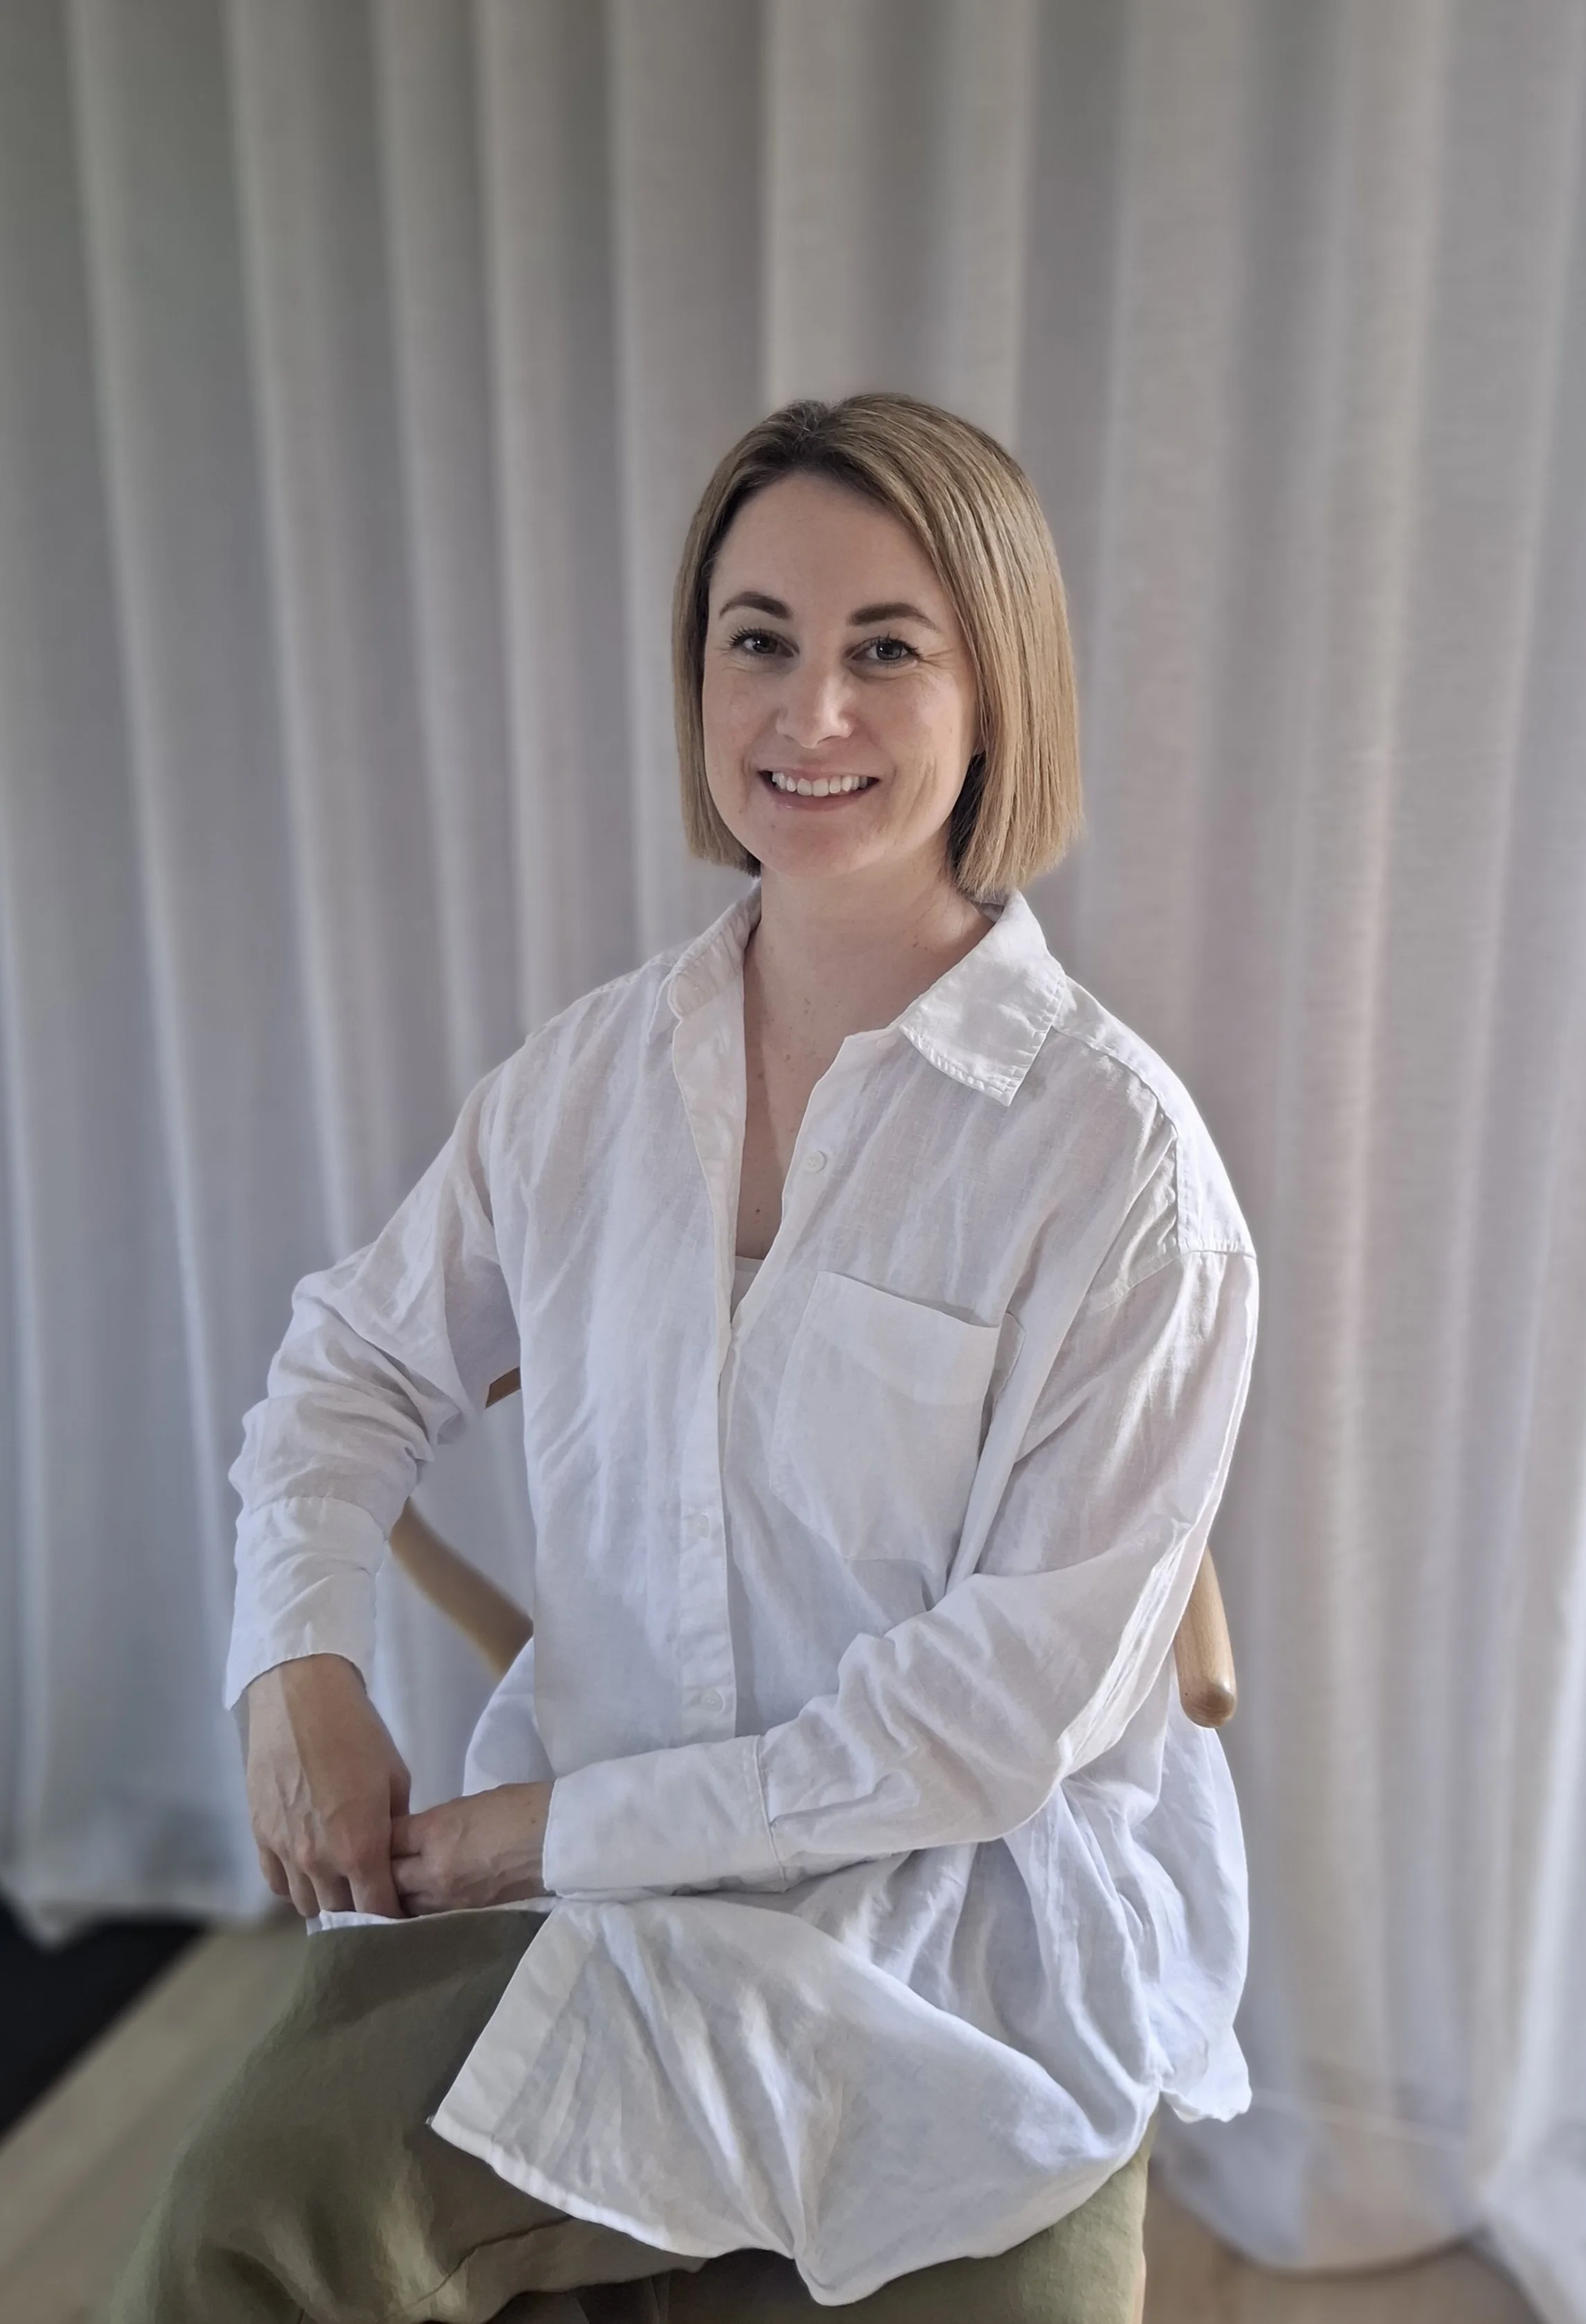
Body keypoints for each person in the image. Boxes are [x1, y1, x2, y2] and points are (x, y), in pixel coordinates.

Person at [111, 392, 1258, 2322]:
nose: (809, 713)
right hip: (594, 1922)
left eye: (884, 649)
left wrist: (540, 1833)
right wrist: (295, 1660)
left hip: (950, 1967)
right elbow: (347, 1365)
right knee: (246, 2212)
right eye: (759, 640)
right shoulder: (580, 1087)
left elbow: (982, 1733)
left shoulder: (1119, 1170)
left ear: (997, 693)